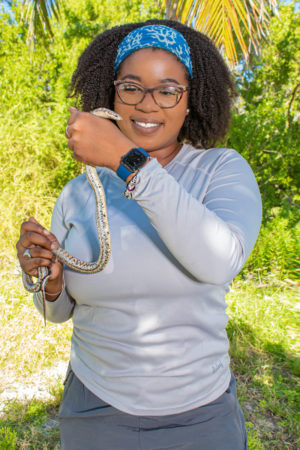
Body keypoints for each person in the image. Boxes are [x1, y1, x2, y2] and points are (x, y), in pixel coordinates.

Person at [16, 19, 262, 450]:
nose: (148, 104)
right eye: (131, 87)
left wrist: (123, 158)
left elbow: (219, 261)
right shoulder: (78, 192)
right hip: (96, 409)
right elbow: (57, 313)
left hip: (201, 416)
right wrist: (51, 284)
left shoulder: (220, 170)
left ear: (190, 101)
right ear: (111, 94)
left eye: (168, 90)